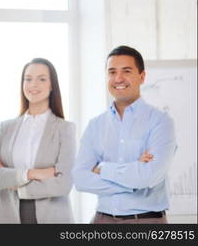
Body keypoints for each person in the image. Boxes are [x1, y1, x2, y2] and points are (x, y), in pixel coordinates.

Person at [72, 45, 176, 224]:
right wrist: (134, 183)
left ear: (142, 77)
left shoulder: (161, 122)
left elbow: (150, 176)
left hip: (146, 222)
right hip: (101, 220)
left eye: (126, 71)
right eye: (112, 72)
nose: (118, 78)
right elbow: (80, 179)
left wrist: (103, 168)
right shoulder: (95, 125)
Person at [0, 58, 75, 223]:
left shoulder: (65, 129)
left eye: (42, 79)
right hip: (9, 217)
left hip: (52, 217)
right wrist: (31, 174)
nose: (33, 84)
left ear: (52, 85)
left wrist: (17, 186)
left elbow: (64, 183)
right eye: (28, 79)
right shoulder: (5, 128)